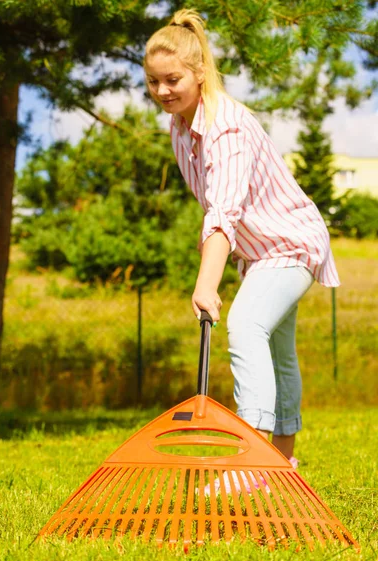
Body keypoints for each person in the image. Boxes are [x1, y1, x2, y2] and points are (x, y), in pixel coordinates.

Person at [144, 9, 340, 490]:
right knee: (276, 352)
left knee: (246, 324)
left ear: (200, 73)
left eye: (173, 80)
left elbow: (223, 213)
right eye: (153, 82)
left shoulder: (225, 127)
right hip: (259, 252)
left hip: (291, 241)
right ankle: (282, 465)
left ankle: (253, 460)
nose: (163, 91)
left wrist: (206, 283)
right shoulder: (180, 127)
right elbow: (217, 207)